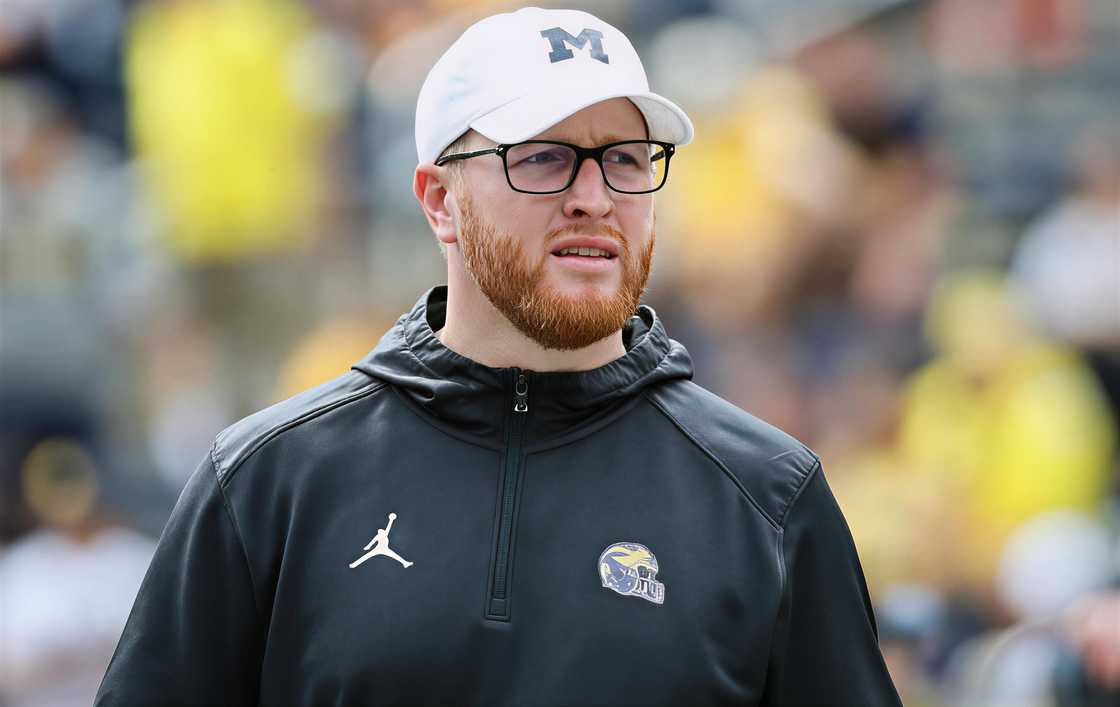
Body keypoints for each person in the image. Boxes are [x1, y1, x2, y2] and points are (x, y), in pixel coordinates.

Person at [96, 8, 901, 705]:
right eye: (542, 156)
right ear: (440, 201)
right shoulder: (269, 482)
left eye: (625, 157)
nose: (595, 194)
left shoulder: (766, 496)